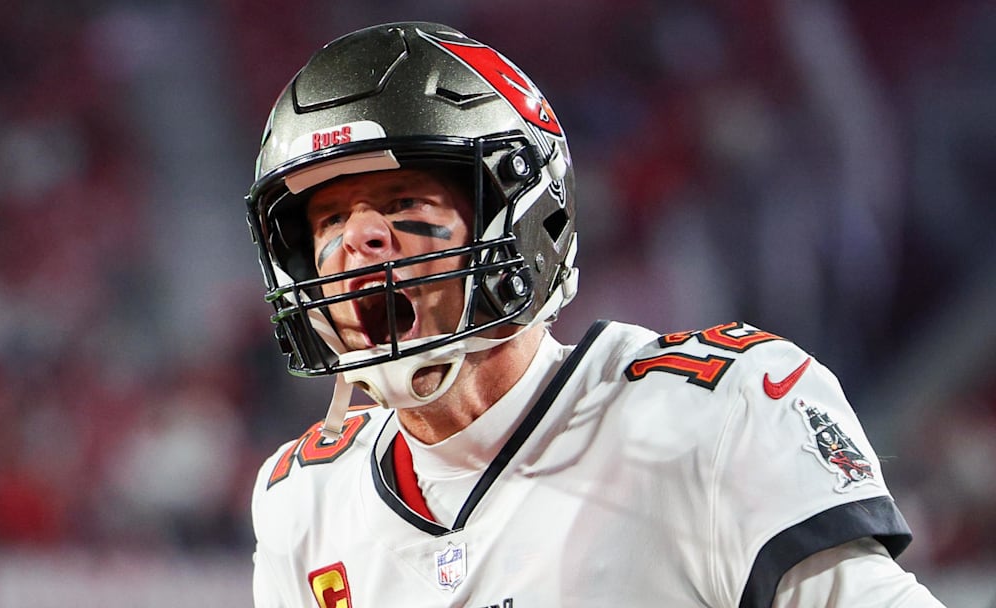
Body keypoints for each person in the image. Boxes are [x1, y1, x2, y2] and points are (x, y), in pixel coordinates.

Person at [242, 21, 944, 608]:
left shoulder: (708, 414)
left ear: (521, 222)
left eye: (402, 204)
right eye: (327, 219)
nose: (356, 243)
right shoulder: (304, 502)